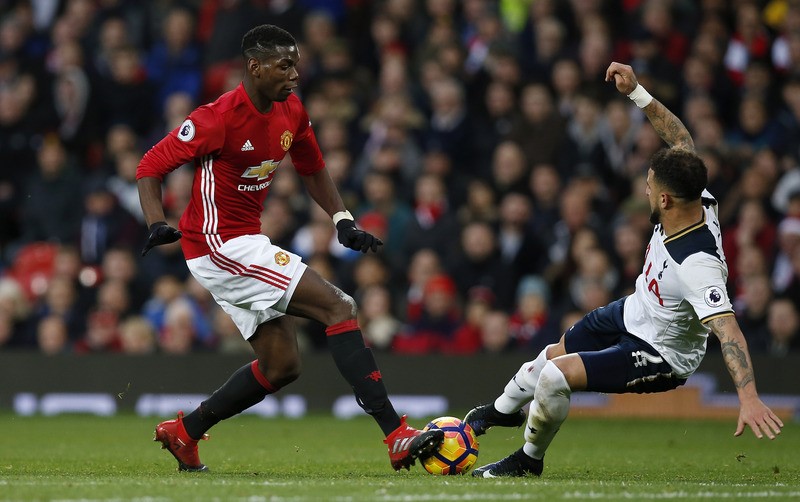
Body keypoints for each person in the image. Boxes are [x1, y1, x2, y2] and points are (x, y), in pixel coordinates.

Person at [136, 24, 443, 473]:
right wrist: (156, 222)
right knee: (339, 307)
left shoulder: (291, 110)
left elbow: (313, 167)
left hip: (244, 241)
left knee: (281, 365)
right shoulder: (215, 117)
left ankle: (185, 432)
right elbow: (150, 165)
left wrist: (343, 221)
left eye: (296, 64)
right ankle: (396, 434)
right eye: (284, 65)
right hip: (216, 243)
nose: (295, 74)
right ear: (254, 67)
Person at [464, 61, 784, 478]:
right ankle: (499, 412)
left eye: (650, 185)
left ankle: (527, 461)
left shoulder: (697, 264)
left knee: (555, 378)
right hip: (634, 310)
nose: (645, 189)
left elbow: (729, 331)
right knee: (552, 355)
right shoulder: (696, 196)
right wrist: (636, 92)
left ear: (666, 200)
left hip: (661, 352)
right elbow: (682, 138)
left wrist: (749, 396)